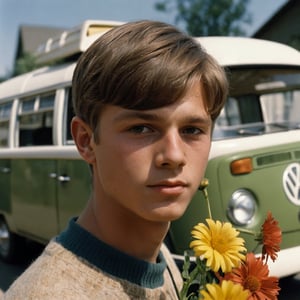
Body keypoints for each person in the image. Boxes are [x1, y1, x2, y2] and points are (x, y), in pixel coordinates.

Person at [3, 20, 228, 299]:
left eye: (192, 130)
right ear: (85, 141)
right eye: (141, 128)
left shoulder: (159, 259)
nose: (173, 155)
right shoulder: (50, 293)